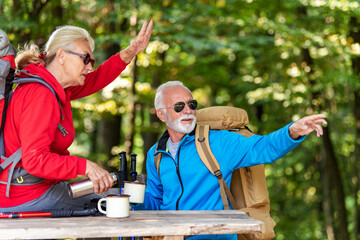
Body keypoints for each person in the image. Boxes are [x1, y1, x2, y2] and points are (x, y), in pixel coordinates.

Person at [133, 80, 327, 240]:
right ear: (161, 114)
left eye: (191, 104)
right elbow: (156, 203)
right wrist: (132, 195)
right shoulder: (156, 154)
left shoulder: (218, 142)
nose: (188, 111)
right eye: (179, 106)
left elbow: (262, 147)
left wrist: (292, 131)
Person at [0, 20, 153, 212]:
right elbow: (35, 160)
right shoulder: (42, 96)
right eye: (85, 59)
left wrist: (130, 52)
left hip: (33, 187)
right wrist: (86, 166)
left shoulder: (52, 87)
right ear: (62, 55)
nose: (89, 67)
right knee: (109, 207)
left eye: (92, 61)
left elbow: (96, 78)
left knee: (105, 199)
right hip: (25, 194)